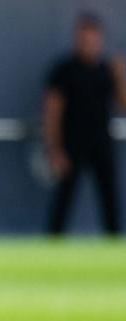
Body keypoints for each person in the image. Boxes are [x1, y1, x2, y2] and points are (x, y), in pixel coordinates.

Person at [44, 12, 126, 236]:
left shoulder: (106, 70)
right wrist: (55, 149)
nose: (88, 44)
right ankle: (52, 247)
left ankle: (114, 247)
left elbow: (122, 104)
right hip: (72, 143)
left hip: (101, 143)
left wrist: (119, 76)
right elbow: (52, 111)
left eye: (93, 39)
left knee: (110, 199)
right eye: (84, 38)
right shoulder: (64, 70)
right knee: (64, 199)